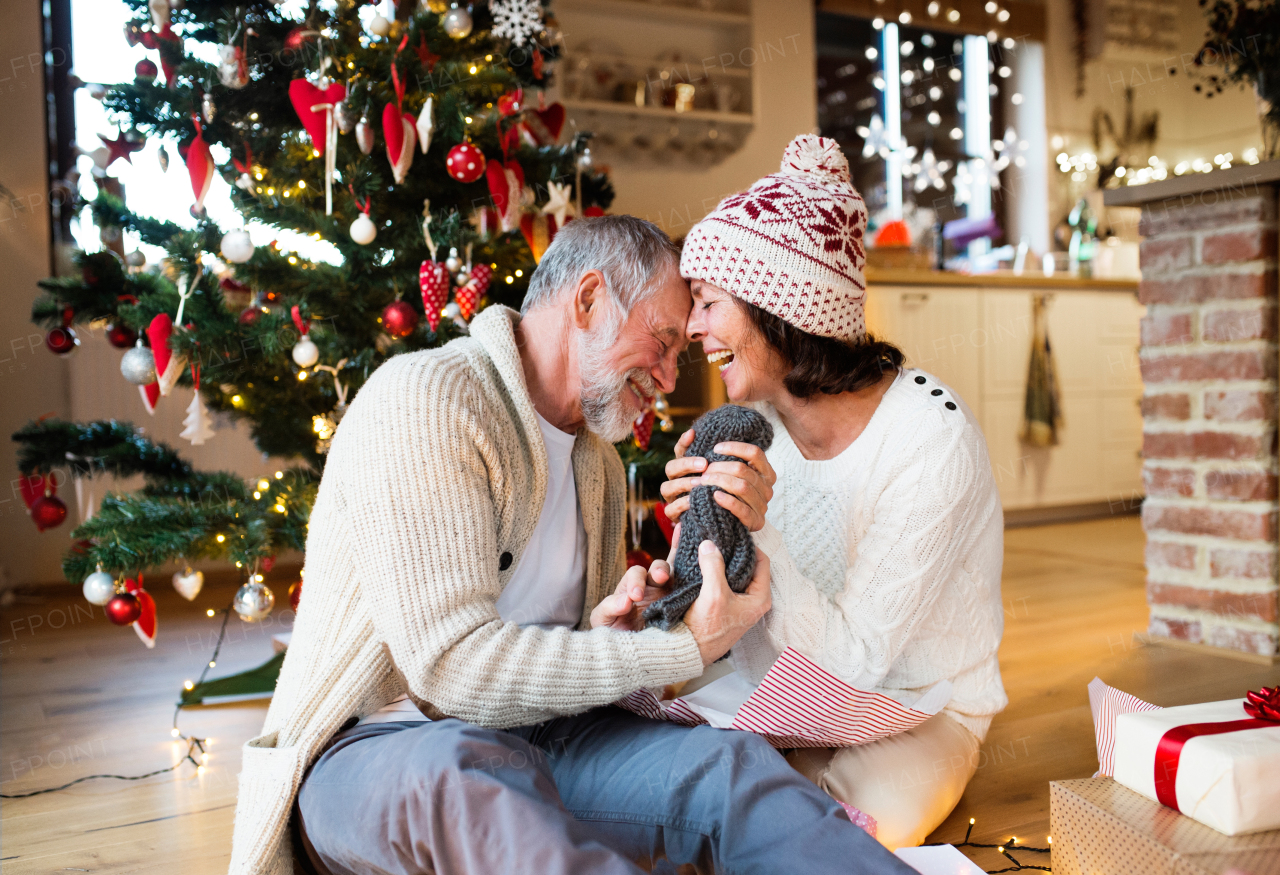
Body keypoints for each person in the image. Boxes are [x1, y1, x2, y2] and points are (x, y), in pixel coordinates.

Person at [227, 214, 917, 875]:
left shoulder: (600, 466)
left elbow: (560, 651)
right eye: (665, 340)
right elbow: (451, 668)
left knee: (729, 767)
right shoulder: (428, 398)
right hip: (379, 750)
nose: (673, 376)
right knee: (470, 783)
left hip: (539, 740)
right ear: (588, 298)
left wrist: (617, 624)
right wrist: (676, 646)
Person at [663, 135, 1008, 850]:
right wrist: (696, 535)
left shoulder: (927, 440)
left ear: (778, 310)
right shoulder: (753, 426)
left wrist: (755, 529)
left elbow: (857, 663)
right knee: (680, 779)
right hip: (786, 698)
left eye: (708, 302)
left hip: (922, 703)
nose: (693, 327)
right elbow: (716, 611)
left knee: (847, 833)